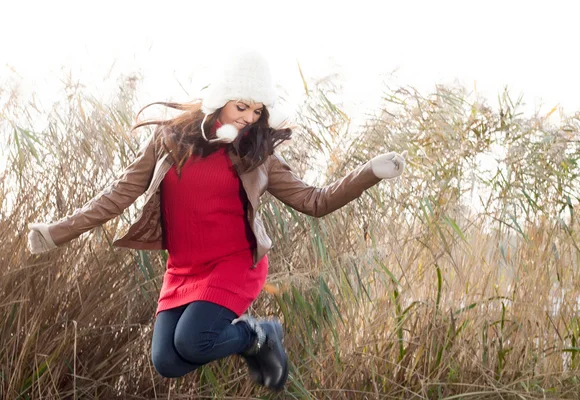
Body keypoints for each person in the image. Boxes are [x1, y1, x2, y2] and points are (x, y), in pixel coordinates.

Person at [26, 51, 408, 391]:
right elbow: (118, 195)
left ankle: (259, 334)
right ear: (220, 99)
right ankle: (256, 335)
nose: (248, 118)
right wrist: (56, 232)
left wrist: (370, 172)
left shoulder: (259, 157)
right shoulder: (169, 139)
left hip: (234, 264)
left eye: (257, 111)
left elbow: (315, 201)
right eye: (241, 107)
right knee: (167, 361)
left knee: (193, 343)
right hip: (184, 268)